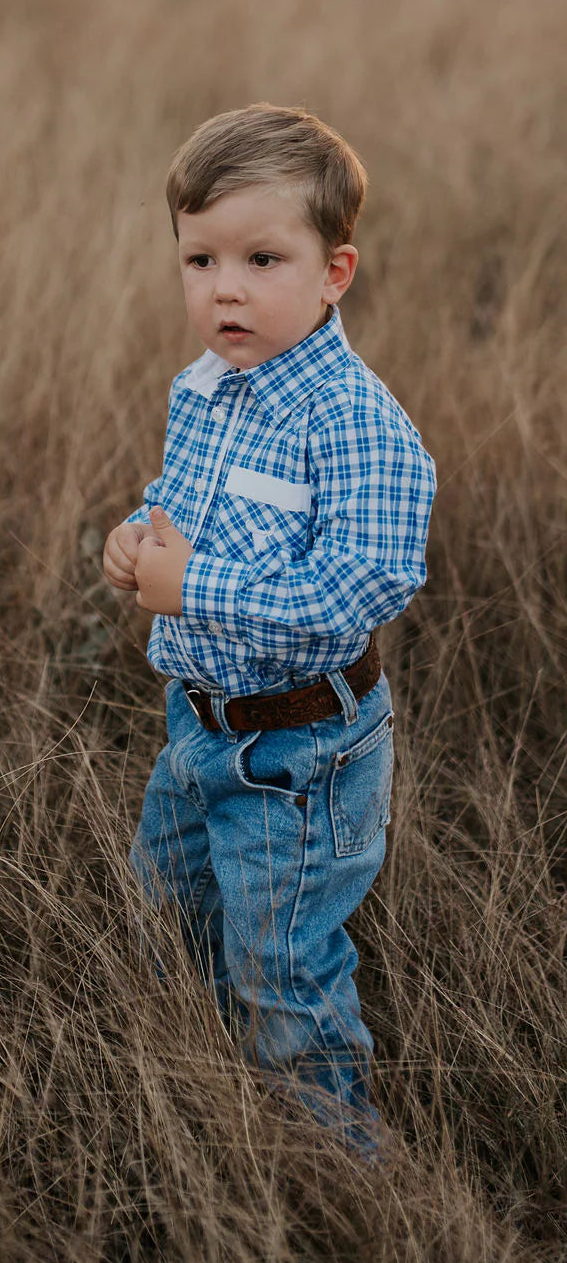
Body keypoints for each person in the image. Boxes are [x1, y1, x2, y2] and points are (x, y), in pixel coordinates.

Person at [103, 104, 435, 1151]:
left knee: (281, 964)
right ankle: (195, 1107)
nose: (224, 288)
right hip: (199, 729)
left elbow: (358, 591)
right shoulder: (207, 388)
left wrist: (192, 586)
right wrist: (134, 540)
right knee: (168, 919)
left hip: (299, 753)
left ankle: (341, 1163)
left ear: (335, 271)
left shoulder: (355, 422)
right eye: (198, 259)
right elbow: (177, 506)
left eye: (260, 257)